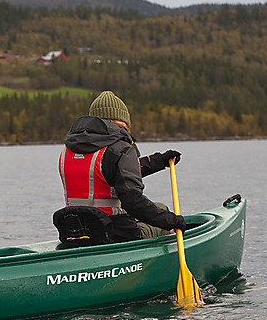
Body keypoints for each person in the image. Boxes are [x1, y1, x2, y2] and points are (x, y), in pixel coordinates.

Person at [58, 90, 188, 242]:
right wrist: (173, 221)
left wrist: (158, 161)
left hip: (74, 232)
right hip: (116, 234)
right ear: (124, 122)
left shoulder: (69, 149)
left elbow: (110, 173)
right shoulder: (121, 147)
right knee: (162, 209)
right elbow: (133, 202)